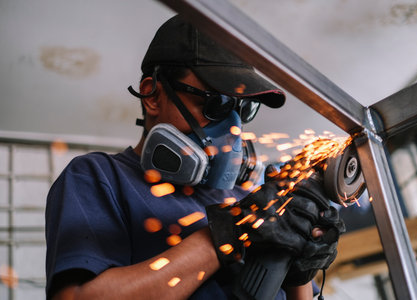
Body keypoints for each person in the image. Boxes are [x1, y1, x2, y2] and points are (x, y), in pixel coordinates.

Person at [45, 15, 344, 300]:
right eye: (217, 103)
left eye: (243, 109)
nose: (234, 127)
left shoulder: (250, 199)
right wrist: (226, 234)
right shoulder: (101, 177)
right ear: (152, 95)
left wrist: (299, 269)